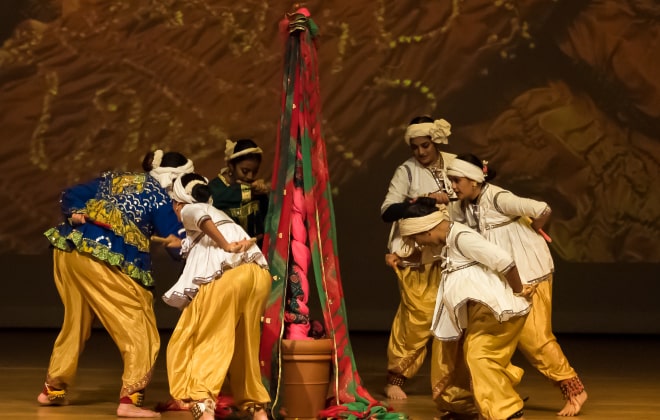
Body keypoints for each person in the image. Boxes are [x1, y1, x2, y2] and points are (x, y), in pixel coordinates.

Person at [37, 150, 194, 418]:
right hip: (105, 256)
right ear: (174, 179)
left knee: (76, 322)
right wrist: (188, 246)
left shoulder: (116, 178)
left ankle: (53, 388)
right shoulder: (160, 197)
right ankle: (129, 400)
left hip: (70, 250)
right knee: (139, 327)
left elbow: (71, 193)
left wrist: (75, 212)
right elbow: (176, 240)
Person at [446, 154, 588, 416]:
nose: (453, 186)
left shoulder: (498, 198)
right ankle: (500, 389)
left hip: (530, 274)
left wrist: (534, 229)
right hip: (500, 277)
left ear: (475, 180)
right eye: (451, 180)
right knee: (486, 339)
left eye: (457, 180)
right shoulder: (462, 205)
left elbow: (542, 208)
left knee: (534, 338)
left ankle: (573, 387)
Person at [394, 201, 533, 420]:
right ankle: (464, 408)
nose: (416, 244)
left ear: (427, 231)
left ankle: (509, 413)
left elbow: (504, 260)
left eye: (415, 238)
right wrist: (400, 259)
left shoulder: (462, 237)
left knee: (480, 356)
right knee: (458, 355)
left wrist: (518, 292)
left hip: (495, 311)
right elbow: (424, 257)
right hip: (477, 311)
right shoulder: (446, 241)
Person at [163, 173, 271, 420]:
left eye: (173, 206)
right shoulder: (221, 216)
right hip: (257, 275)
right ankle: (256, 406)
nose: (175, 211)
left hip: (228, 276)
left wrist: (225, 245)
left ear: (179, 202)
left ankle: (203, 400)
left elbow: (199, 218)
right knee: (246, 342)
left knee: (206, 336)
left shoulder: (191, 208)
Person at [380, 116, 457, 400]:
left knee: (455, 315)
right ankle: (396, 378)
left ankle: (452, 381)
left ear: (435, 142)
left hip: (452, 251)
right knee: (417, 317)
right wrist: (421, 202)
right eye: (415, 148)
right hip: (416, 254)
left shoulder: (454, 163)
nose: (421, 152)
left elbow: (478, 187)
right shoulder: (407, 171)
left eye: (425, 146)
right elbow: (387, 211)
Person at [208, 138, 269, 249]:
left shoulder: (255, 189)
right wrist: (249, 191)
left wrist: (264, 194)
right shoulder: (215, 189)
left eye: (254, 172)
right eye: (245, 171)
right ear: (231, 165)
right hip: (228, 252)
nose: (250, 176)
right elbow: (221, 198)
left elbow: (265, 219)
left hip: (255, 251)